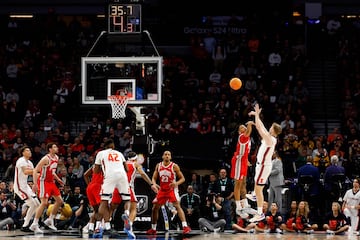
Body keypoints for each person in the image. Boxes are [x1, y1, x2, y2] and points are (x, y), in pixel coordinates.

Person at [246, 103, 282, 222]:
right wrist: (257, 115)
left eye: (271, 127)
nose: (269, 128)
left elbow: (259, 128)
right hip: (260, 166)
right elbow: (261, 127)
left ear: (274, 130)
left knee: (259, 189)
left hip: (263, 166)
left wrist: (256, 116)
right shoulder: (270, 137)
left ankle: (260, 213)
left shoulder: (271, 139)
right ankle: (255, 195)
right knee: (257, 190)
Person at [93, 139, 134, 238]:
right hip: (122, 176)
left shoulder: (100, 153)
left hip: (110, 176)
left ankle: (106, 226)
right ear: (113, 146)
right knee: (127, 199)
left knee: (104, 201)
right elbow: (127, 169)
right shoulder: (119, 153)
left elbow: (96, 171)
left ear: (105, 146)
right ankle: (126, 213)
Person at [146, 150, 191, 235]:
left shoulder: (174, 166)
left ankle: (185, 226)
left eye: (168, 155)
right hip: (162, 190)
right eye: (165, 154)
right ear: (162, 156)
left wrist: (176, 183)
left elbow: (183, 178)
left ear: (170, 157)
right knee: (154, 208)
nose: (167, 156)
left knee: (177, 206)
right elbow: (154, 178)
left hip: (171, 190)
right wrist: (154, 185)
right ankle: (153, 228)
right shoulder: (158, 166)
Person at [30, 142, 65, 234]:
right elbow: (35, 170)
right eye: (54, 147)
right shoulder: (46, 159)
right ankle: (34, 223)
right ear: (50, 149)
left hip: (51, 182)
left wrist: (58, 180)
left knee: (60, 201)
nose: (57, 148)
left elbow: (52, 172)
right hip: (43, 182)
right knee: (44, 203)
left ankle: (50, 220)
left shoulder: (56, 158)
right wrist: (35, 184)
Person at [14, 146, 40, 232]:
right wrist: (39, 171)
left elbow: (34, 174)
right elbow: (26, 171)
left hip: (26, 186)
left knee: (37, 204)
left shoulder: (30, 162)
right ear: (23, 153)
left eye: (30, 150)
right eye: (27, 150)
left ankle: (26, 225)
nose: (29, 151)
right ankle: (26, 224)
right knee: (32, 204)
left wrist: (35, 184)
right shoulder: (21, 160)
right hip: (19, 187)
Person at [231, 122, 253, 218]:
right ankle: (238, 206)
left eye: (244, 126)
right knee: (238, 184)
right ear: (240, 131)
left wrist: (247, 160)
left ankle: (245, 204)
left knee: (244, 183)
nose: (244, 127)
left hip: (243, 160)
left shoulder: (247, 139)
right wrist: (250, 124)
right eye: (242, 127)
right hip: (238, 161)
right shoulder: (242, 137)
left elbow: (246, 151)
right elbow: (248, 131)